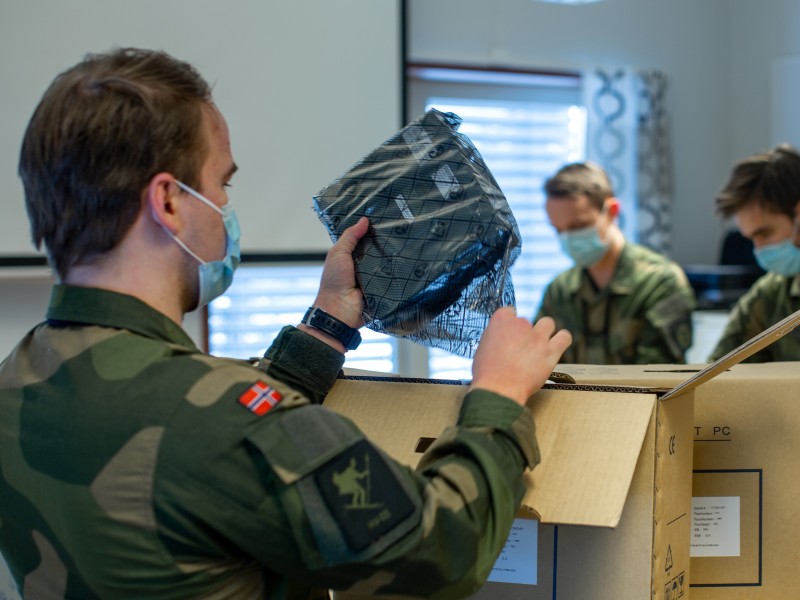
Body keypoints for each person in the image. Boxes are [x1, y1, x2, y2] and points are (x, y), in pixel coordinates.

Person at [0, 48, 572, 599]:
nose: (227, 207)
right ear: (169, 202)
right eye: (222, 184)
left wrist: (327, 326)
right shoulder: (225, 423)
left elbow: (223, 471)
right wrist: (498, 396)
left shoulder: (17, 382)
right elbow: (442, 548)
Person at [534, 162, 695, 364]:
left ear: (611, 211)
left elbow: (658, 382)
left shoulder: (659, 282)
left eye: (579, 226)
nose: (568, 238)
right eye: (558, 230)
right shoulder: (559, 291)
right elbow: (539, 367)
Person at [708, 144, 800, 362]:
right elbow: (714, 376)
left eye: (765, 233)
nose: (758, 249)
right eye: (751, 239)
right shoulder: (771, 294)